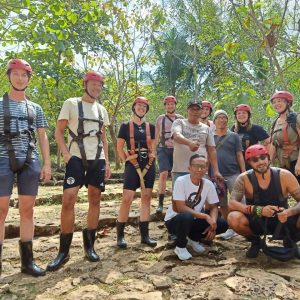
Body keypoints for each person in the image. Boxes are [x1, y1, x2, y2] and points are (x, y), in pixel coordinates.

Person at [47, 71, 111, 271]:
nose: (96, 88)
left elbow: (104, 138)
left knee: (95, 199)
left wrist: (107, 162)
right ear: (85, 84)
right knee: (69, 199)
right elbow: (58, 131)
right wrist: (66, 154)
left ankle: (89, 246)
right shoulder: (71, 103)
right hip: (75, 158)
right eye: (93, 84)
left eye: (99, 85)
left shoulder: (102, 110)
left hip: (97, 159)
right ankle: (63, 251)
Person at [0, 59, 51, 277]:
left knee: (27, 210)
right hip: (2, 159)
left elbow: (42, 135)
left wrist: (47, 163)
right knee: (1, 211)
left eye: (24, 75)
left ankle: (27, 262)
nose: (20, 78)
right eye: (16, 74)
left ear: (29, 79)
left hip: (30, 160)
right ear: (9, 76)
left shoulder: (36, 108)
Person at [227, 144, 300, 258]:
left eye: (263, 157)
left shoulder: (285, 175)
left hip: (283, 220)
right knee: (233, 217)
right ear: (249, 163)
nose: (260, 162)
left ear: (268, 158)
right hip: (258, 220)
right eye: (255, 160)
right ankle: (256, 242)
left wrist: (288, 212)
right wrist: (258, 210)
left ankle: (290, 240)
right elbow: (232, 203)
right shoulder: (243, 178)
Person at [164, 154, 228, 260]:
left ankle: (193, 238)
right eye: (196, 166)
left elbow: (213, 207)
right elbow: (180, 208)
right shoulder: (181, 181)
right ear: (189, 168)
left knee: (223, 224)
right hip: (175, 221)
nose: (199, 169)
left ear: (207, 169)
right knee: (186, 216)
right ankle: (180, 246)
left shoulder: (208, 184)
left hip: (193, 220)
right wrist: (206, 217)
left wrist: (213, 222)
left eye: (203, 166)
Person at [116, 97, 157, 249]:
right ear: (134, 107)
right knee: (127, 198)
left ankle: (145, 236)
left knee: (146, 198)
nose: (141, 108)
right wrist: (127, 160)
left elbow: (153, 146)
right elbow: (120, 147)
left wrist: (152, 159)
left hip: (148, 163)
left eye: (144, 106)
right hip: (132, 164)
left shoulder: (151, 127)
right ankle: (120, 236)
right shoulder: (125, 126)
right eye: (139, 105)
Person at [210, 110, 245, 240]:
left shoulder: (234, 136)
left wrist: (243, 172)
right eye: (218, 118)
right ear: (214, 121)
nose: (222, 120)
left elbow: (239, 154)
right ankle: (230, 227)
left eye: (224, 117)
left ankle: (243, 224)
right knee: (222, 203)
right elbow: (208, 155)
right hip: (215, 175)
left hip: (233, 173)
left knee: (239, 200)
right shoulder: (210, 137)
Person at [171, 99, 222, 185]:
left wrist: (216, 171)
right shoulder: (179, 122)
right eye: (192, 109)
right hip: (180, 170)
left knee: (200, 197)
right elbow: (176, 135)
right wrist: (189, 143)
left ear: (201, 111)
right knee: (179, 197)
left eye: (197, 109)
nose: (194, 112)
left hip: (200, 171)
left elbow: (212, 150)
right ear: (187, 110)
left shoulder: (206, 128)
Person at [154, 96, 183, 214]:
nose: (170, 106)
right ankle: (160, 203)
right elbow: (156, 135)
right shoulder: (160, 118)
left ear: (175, 105)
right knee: (164, 174)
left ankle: (175, 202)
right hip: (163, 149)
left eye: (172, 104)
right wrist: (153, 150)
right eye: (168, 104)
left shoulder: (181, 118)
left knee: (176, 176)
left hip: (177, 150)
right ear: (165, 106)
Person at [269, 91, 300, 183]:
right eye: (274, 102)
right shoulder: (275, 123)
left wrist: (299, 164)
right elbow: (274, 145)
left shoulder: (296, 118)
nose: (276, 104)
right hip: (284, 164)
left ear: (288, 102)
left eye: (279, 101)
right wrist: (268, 163)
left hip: (296, 161)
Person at [231, 104, 269, 169]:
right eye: (238, 113)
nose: (241, 115)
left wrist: (264, 158)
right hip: (238, 163)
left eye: (244, 113)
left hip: (253, 162)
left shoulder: (255, 128)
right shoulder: (233, 129)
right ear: (236, 116)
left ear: (248, 115)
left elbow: (268, 141)